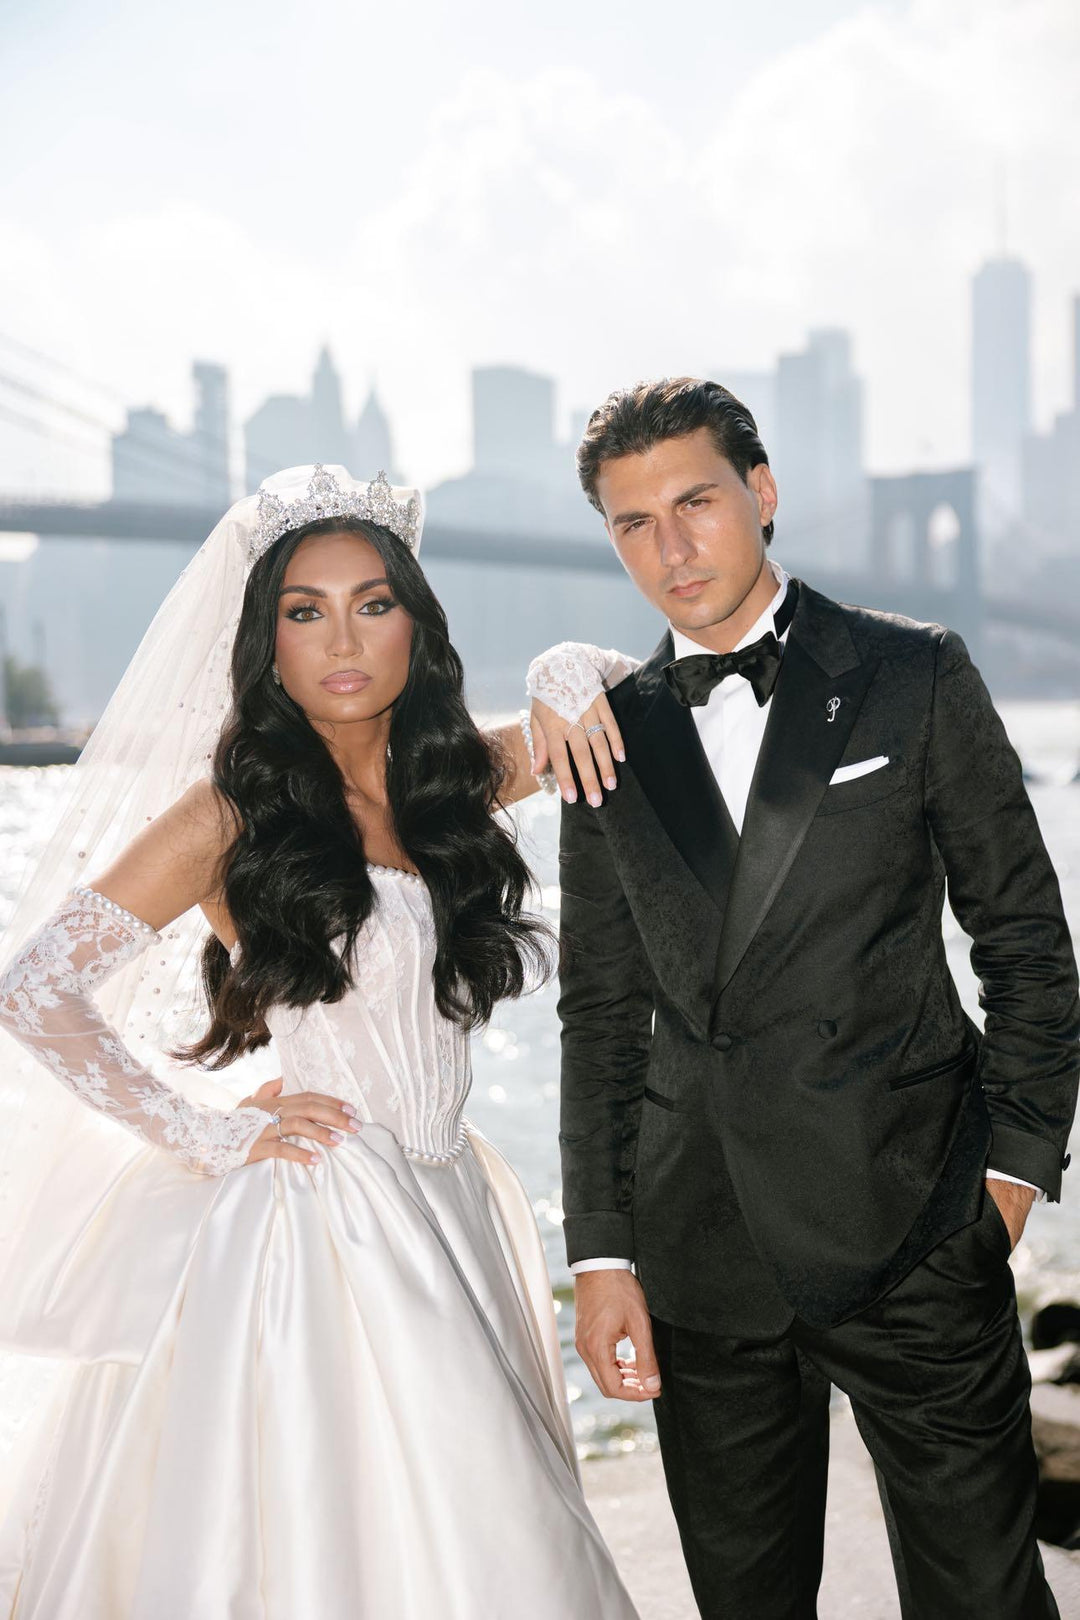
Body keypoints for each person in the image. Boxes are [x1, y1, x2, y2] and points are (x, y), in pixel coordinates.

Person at [0, 464, 639, 1619]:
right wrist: (203, 1134)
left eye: (372, 603)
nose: (342, 639)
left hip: (453, 1195)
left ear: (414, 625)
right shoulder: (230, 811)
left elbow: (638, 695)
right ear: (270, 642)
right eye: (306, 611)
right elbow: (36, 988)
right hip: (326, 1218)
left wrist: (561, 667)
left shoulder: (452, 781)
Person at [529, 378, 1080, 1619]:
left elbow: (1027, 943)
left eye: (695, 503)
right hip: (704, 1252)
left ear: (762, 493)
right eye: (632, 524)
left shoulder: (914, 673)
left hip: (913, 1226)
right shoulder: (604, 734)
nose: (670, 549)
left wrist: (1010, 1176)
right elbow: (601, 1019)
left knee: (986, 1602)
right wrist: (602, 1254)